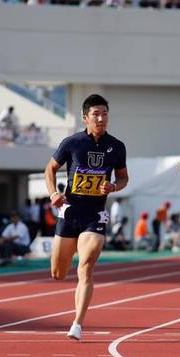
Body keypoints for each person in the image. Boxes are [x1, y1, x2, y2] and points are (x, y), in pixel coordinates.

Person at [44, 94, 128, 341]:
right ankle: (76, 316)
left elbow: (123, 178)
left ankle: (77, 323)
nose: (101, 118)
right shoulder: (72, 143)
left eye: (105, 113)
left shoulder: (117, 146)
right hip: (70, 212)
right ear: (85, 117)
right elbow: (50, 169)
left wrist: (113, 186)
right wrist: (53, 194)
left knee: (87, 265)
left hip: (95, 215)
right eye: (96, 114)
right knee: (58, 273)